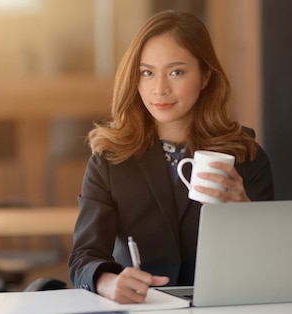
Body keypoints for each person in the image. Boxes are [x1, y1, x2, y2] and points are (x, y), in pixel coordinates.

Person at [68, 10, 275, 304]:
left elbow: (272, 263)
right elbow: (83, 257)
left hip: (224, 306)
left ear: (205, 77)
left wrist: (245, 212)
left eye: (176, 72)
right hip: (143, 306)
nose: (160, 88)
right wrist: (108, 282)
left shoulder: (245, 157)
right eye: (147, 72)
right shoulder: (109, 159)